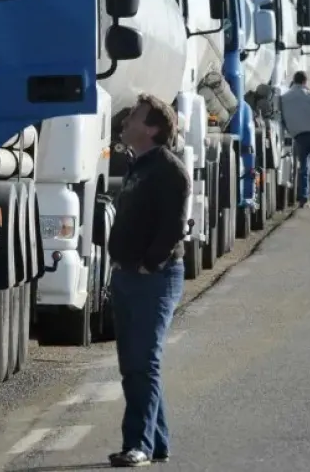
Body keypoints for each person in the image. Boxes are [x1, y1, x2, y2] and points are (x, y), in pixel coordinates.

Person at [107, 94, 190, 467]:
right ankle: (156, 443)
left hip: (154, 278)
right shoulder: (137, 165)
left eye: (135, 117)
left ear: (153, 128)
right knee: (133, 365)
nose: (125, 121)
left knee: (144, 361)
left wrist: (149, 264)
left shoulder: (169, 170)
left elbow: (174, 226)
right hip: (127, 275)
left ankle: (137, 444)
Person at [279, 71, 310, 208]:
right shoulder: (309, 95)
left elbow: (283, 119)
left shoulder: (284, 97)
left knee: (303, 168)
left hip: (299, 136)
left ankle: (304, 199)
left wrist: (291, 130)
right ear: (305, 81)